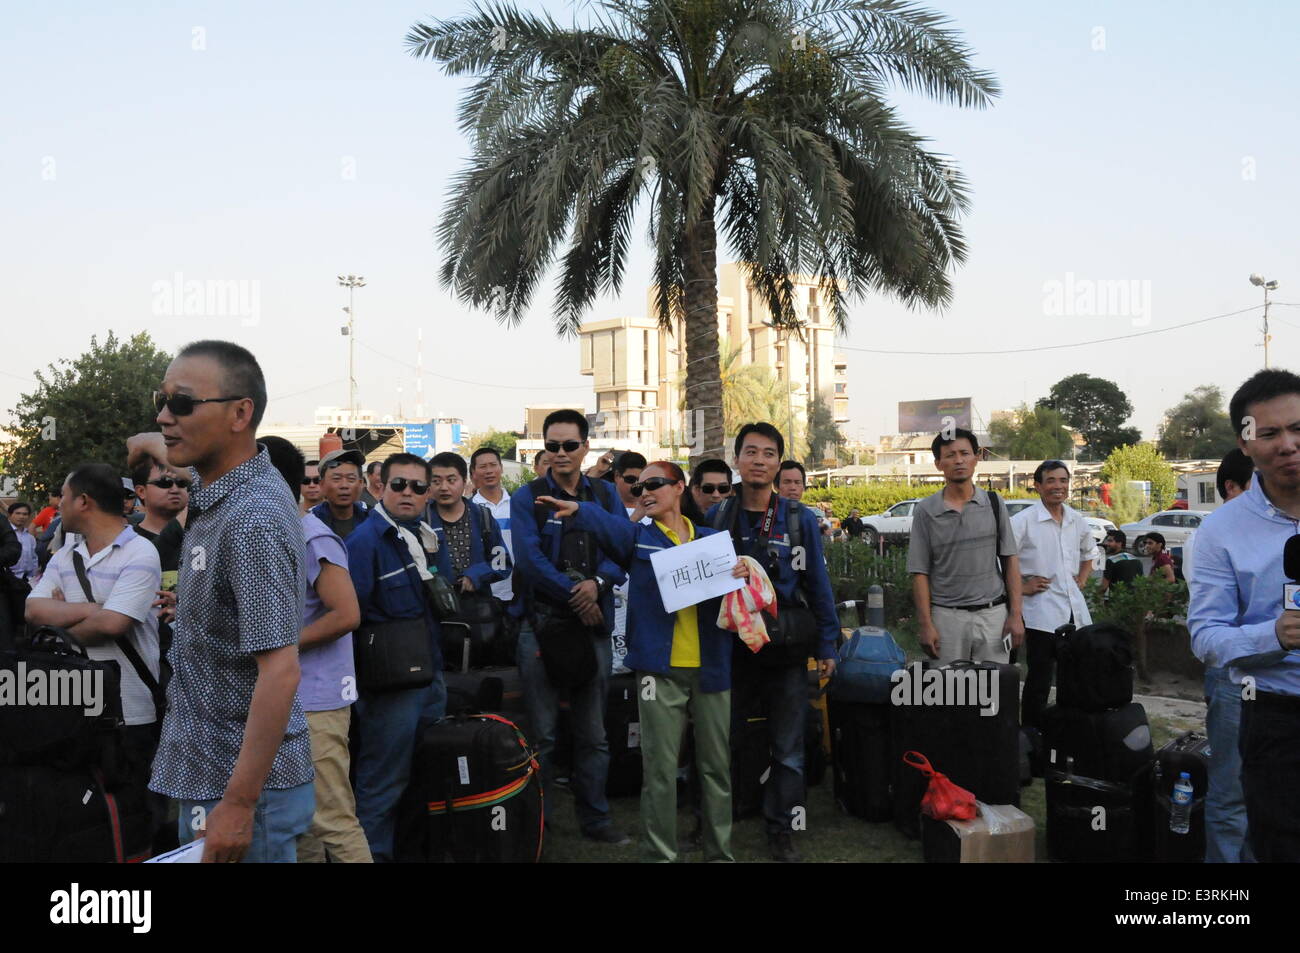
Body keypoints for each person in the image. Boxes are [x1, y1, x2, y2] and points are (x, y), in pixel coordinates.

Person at [134, 339, 314, 864]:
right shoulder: (222, 491)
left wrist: (238, 803)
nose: (166, 417)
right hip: (215, 771)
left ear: (240, 414)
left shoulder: (250, 519)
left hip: (245, 792)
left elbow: (280, 671)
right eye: (161, 400)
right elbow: (152, 440)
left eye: (183, 404)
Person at [537, 462, 746, 862]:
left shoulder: (712, 540)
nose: (643, 491)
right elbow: (611, 529)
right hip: (659, 672)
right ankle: (660, 855)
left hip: (711, 667)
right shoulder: (638, 539)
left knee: (717, 770)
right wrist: (580, 511)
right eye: (637, 486)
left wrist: (741, 570)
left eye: (654, 484)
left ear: (680, 487)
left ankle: (720, 854)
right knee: (661, 772)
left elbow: (738, 596)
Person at [709, 422, 838, 863]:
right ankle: (716, 820)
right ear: (737, 459)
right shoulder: (717, 516)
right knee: (721, 739)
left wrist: (828, 646)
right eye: (750, 452)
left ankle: (781, 828)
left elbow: (819, 586)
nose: (759, 461)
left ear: (778, 462)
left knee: (788, 745)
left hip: (784, 650)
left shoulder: (800, 520)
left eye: (768, 454)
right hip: (732, 650)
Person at [1190, 368, 1300, 862]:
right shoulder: (1221, 531)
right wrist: (1272, 636)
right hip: (1272, 711)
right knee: (1272, 837)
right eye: (1271, 433)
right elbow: (1206, 637)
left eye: (1298, 429)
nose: (1288, 445)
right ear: (1247, 443)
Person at [26, 463, 165, 847]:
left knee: (135, 819)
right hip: (73, 707)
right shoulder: (65, 554)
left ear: (83, 502)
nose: (60, 505)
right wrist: (96, 608)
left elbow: (113, 626)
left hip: (130, 713)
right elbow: (33, 611)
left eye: (65, 497)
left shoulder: (140, 552)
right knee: (84, 822)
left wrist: (61, 627)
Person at [509, 409, 630, 845]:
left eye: (569, 445)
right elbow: (529, 561)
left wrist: (597, 585)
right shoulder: (528, 498)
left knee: (593, 733)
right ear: (545, 449)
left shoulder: (603, 495)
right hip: (540, 626)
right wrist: (577, 595)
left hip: (594, 626)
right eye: (553, 446)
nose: (561, 453)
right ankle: (539, 826)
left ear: (585, 447)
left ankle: (596, 820)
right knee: (542, 735)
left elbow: (622, 547)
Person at [258, 436, 371, 864]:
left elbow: (346, 613)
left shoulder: (309, 534)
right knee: (295, 820)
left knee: (332, 818)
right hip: (284, 694)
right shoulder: (274, 528)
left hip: (318, 699)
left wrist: (276, 646)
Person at [344, 452, 446, 862]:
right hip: (389, 687)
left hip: (431, 675)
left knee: (423, 779)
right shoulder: (364, 542)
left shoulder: (425, 537)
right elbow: (351, 617)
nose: (408, 493)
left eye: (418, 487)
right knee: (382, 784)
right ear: (379, 487)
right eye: (399, 484)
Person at [1188, 447, 1255, 864]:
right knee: (1231, 792)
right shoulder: (1211, 536)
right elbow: (1212, 630)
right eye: (1256, 484)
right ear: (1232, 487)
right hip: (1233, 676)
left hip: (1277, 679)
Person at [908, 428, 1023, 665]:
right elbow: (920, 572)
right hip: (946, 617)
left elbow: (1010, 560)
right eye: (950, 455)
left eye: (965, 453)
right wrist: (926, 625)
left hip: (993, 616)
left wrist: (1015, 615)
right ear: (938, 464)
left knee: (993, 694)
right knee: (948, 694)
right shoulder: (926, 511)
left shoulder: (994, 503)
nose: (959, 460)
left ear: (976, 458)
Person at [1009, 460, 1097, 729]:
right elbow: (999, 562)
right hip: (1040, 614)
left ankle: (1064, 732)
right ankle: (1032, 736)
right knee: (1040, 679)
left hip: (1074, 612)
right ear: (1038, 486)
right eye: (1051, 481)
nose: (1058, 486)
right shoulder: (1023, 521)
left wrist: (1081, 579)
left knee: (1073, 678)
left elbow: (1090, 552)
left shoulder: (1075, 519)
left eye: (1063, 480)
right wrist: (1022, 588)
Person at [424, 450, 511, 605]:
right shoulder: (422, 521)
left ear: (464, 482)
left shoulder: (482, 517)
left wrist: (476, 575)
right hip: (435, 608)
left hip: (479, 608)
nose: (444, 487)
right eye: (436, 481)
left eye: (451, 480)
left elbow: (502, 563)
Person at [469, 446, 515, 610]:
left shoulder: (517, 505)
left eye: (493, 465)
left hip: (517, 591)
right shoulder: (469, 509)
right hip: (484, 592)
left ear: (501, 468)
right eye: (482, 467)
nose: (489, 471)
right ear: (473, 473)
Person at [312, 448, 370, 539]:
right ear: (322, 484)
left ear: (361, 484)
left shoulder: (372, 519)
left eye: (351, 479)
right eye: (336, 479)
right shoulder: (311, 522)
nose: (344, 485)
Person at [1099, 529, 1141, 596]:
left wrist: (1096, 596)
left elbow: (1104, 587)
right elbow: (1141, 584)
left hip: (1117, 601)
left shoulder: (1111, 560)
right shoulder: (1136, 560)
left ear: (1119, 543)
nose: (1106, 543)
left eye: (1110, 541)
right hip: (1134, 600)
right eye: (1107, 540)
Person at [8, 502, 39, 582]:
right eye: (18, 513)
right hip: (7, 579)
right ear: (10, 515)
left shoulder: (30, 538)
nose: (21, 516)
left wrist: (33, 577)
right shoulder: (4, 535)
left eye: (25, 514)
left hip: (26, 580)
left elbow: (34, 558)